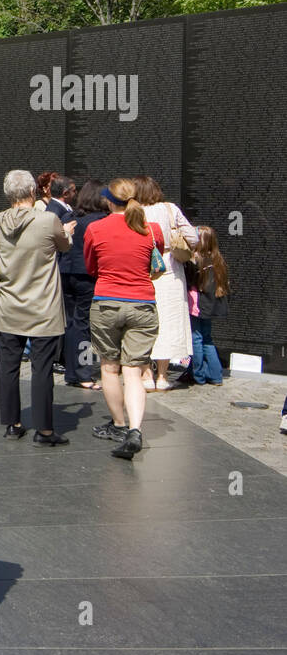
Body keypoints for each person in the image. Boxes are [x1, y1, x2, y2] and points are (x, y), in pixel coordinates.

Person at [82, 178, 167, 460]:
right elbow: (154, 261)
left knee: (109, 368)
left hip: (106, 302)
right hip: (143, 304)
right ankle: (135, 429)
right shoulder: (151, 229)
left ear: (108, 200)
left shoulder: (95, 228)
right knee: (134, 371)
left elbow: (91, 266)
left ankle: (118, 424)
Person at [0, 169, 74, 445]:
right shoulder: (48, 220)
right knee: (42, 369)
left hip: (9, 304)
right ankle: (45, 430)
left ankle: (13, 424)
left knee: (8, 367)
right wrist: (68, 233)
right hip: (43, 307)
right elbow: (64, 246)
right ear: (32, 192)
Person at [135, 177, 199, 391]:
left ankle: (145, 375)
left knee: (142, 322)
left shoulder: (134, 211)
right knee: (168, 324)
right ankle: (162, 377)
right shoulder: (170, 209)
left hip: (143, 269)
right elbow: (194, 237)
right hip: (171, 271)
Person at [61, 179, 109, 389]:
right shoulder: (100, 221)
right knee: (84, 325)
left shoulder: (70, 217)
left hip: (65, 273)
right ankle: (84, 374)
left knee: (71, 323)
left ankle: (72, 372)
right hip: (87, 276)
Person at [184, 226, 230, 386]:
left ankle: (199, 375)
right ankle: (216, 376)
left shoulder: (196, 260)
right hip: (209, 307)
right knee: (207, 339)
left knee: (196, 339)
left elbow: (190, 281)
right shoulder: (217, 259)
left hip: (197, 307)